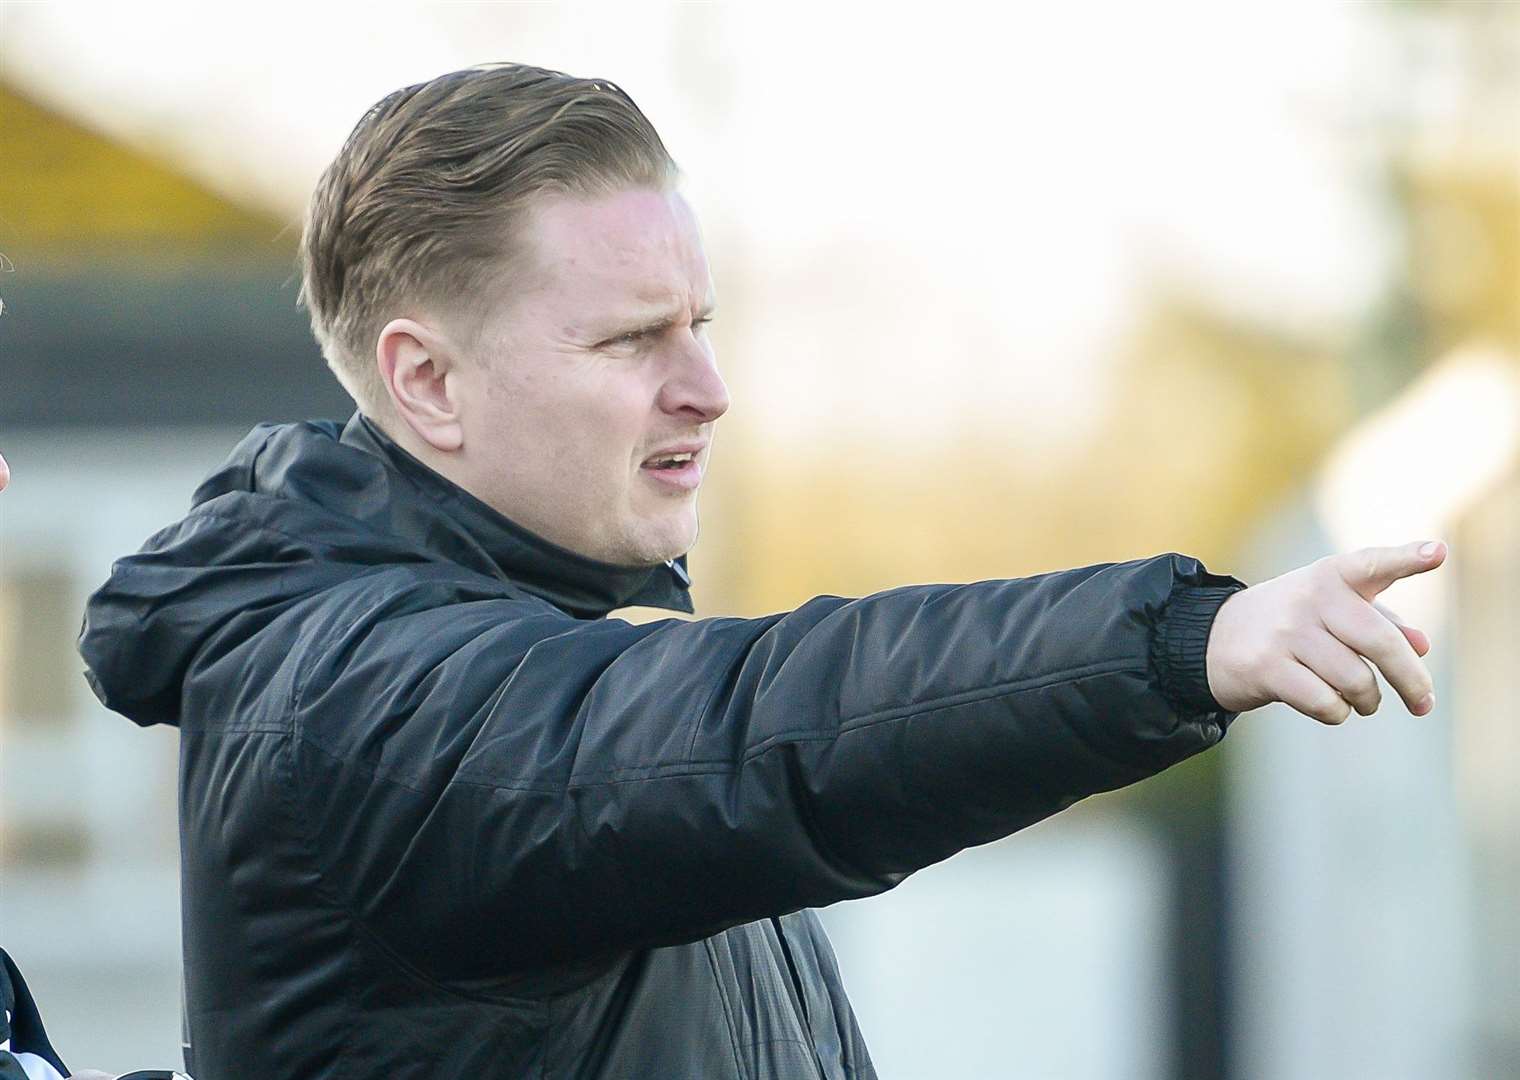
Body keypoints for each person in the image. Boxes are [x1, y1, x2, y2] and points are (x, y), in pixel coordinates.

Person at [76, 63, 1443, 1079]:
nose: (708, 389)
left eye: (703, 325)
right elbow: (766, 724)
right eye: (632, 342)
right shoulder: (359, 704)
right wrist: (1171, 642)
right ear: (426, 381)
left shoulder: (519, 645)